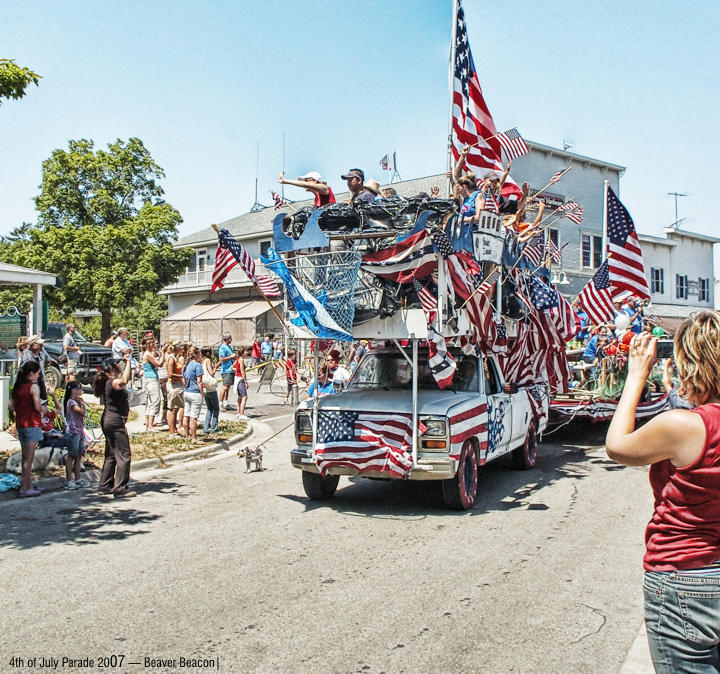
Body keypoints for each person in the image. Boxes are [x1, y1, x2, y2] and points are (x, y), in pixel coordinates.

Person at [606, 314, 720, 672]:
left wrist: (636, 375)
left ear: (692, 363)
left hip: (683, 574)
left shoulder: (685, 426)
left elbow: (617, 446)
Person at [94, 355, 135, 498]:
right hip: (115, 420)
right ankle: (120, 488)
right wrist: (129, 362)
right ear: (112, 368)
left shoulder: (106, 382)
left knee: (111, 454)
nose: (119, 367)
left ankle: (105, 485)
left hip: (109, 420)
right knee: (124, 454)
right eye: (117, 366)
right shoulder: (111, 382)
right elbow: (124, 381)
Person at [8, 361, 44, 497]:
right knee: (29, 459)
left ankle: (28, 484)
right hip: (32, 423)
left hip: (21, 422)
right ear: (31, 373)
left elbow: (11, 406)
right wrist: (43, 409)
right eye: (37, 373)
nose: (38, 376)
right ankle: (25, 487)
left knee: (25, 457)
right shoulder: (33, 387)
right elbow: (37, 406)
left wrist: (21, 407)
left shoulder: (18, 386)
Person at [63, 381, 88, 489]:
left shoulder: (76, 401)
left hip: (80, 430)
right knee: (71, 455)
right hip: (73, 431)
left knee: (79, 455)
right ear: (73, 390)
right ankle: (69, 480)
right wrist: (81, 403)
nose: (81, 390)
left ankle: (78, 478)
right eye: (79, 388)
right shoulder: (71, 402)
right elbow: (81, 412)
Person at [141, 336, 165, 432]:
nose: (155, 344)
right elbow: (159, 364)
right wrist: (163, 352)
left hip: (150, 378)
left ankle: (148, 423)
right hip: (151, 379)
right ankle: (150, 425)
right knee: (155, 401)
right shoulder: (148, 354)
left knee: (150, 401)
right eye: (153, 343)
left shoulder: (150, 353)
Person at [182, 345, 205, 444]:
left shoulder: (186, 365)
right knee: (193, 417)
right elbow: (199, 381)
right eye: (199, 353)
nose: (200, 355)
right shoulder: (197, 365)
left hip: (187, 392)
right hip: (195, 392)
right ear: (195, 355)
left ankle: (187, 435)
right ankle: (194, 437)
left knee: (186, 414)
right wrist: (202, 392)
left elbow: (183, 380)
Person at [20, 335, 50, 401]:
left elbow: (49, 360)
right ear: (32, 345)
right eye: (39, 344)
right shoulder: (26, 356)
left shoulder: (41, 353)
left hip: (41, 383)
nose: (42, 345)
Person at [165, 344, 185, 438]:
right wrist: (182, 376)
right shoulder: (171, 358)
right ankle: (172, 433)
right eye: (181, 347)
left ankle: (174, 430)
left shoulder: (175, 357)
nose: (183, 349)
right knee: (173, 409)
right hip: (173, 385)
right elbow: (170, 374)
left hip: (178, 384)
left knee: (176, 409)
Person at [201, 346, 219, 435]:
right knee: (215, 408)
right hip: (211, 387)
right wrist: (215, 367)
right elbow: (211, 373)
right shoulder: (208, 360)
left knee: (209, 409)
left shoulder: (201, 361)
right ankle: (214, 426)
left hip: (205, 387)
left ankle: (206, 427)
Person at [218, 333, 236, 411]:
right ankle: (220, 403)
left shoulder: (229, 347)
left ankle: (225, 402)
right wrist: (231, 357)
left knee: (228, 387)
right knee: (225, 387)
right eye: (230, 338)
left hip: (231, 369)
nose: (231, 340)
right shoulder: (223, 347)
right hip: (226, 370)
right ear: (227, 339)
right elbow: (221, 359)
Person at [235, 347, 249, 419]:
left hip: (237, 379)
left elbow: (233, 367)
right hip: (240, 379)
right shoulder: (241, 360)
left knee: (240, 397)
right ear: (242, 353)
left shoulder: (238, 359)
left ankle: (238, 413)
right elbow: (242, 371)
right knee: (244, 397)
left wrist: (236, 371)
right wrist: (245, 381)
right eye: (246, 351)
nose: (247, 353)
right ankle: (241, 414)